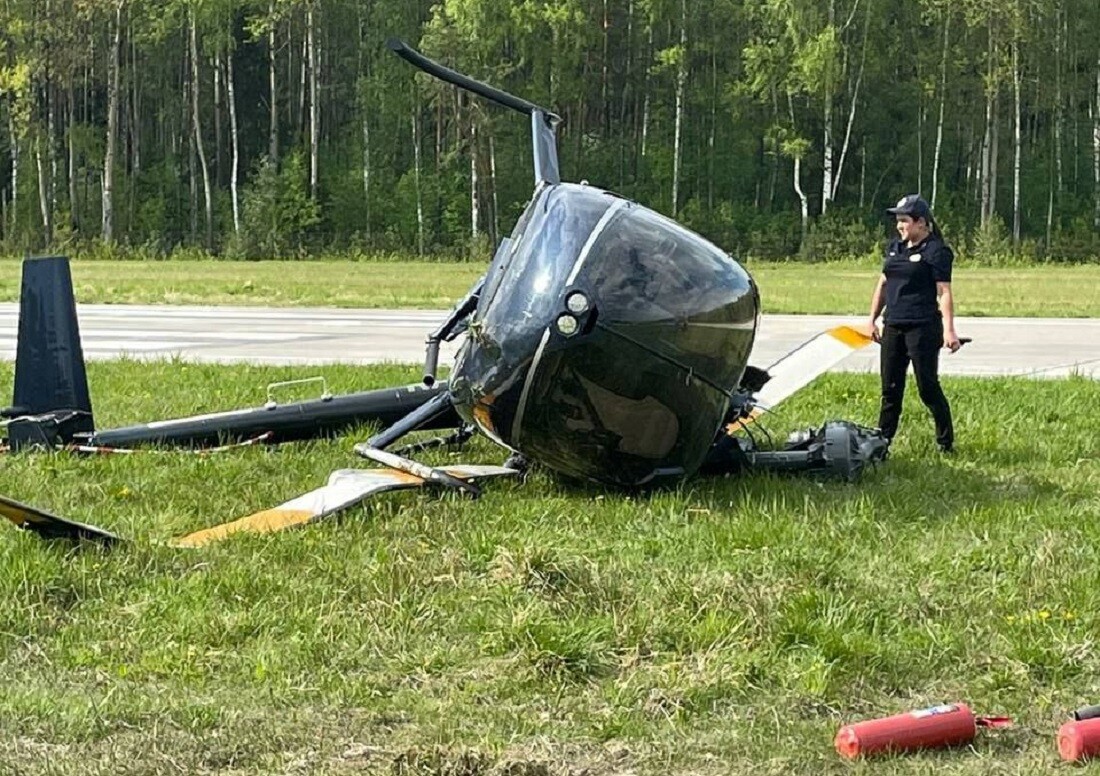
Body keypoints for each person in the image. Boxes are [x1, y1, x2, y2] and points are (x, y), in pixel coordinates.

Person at [864, 194, 960, 453]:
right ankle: (882, 444)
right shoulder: (896, 248)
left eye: (904, 220)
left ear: (921, 222)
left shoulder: (937, 251)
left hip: (922, 327)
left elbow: (944, 292)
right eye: (898, 221)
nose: (899, 226)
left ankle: (945, 442)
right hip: (893, 325)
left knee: (927, 387)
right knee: (890, 389)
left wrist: (950, 330)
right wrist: (871, 319)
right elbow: (883, 284)